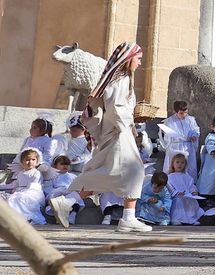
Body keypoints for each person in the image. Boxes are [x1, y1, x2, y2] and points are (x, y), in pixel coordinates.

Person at [49, 42, 151, 233]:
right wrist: (129, 124)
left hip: (117, 132)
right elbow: (115, 109)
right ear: (128, 59)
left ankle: (69, 201)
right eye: (138, 59)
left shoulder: (121, 79)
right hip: (119, 133)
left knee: (113, 173)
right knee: (133, 171)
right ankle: (127, 218)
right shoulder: (120, 81)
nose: (139, 63)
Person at [0, 148, 47, 225]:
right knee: (9, 198)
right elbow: (15, 184)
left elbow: (34, 185)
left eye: (33, 160)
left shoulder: (36, 173)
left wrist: (20, 191)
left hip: (33, 193)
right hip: (20, 191)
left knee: (20, 198)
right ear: (22, 162)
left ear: (37, 161)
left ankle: (27, 217)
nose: (30, 162)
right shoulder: (20, 173)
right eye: (27, 160)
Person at [158, 102, 201, 178]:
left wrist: (194, 136)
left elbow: (196, 130)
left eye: (186, 113)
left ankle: (189, 184)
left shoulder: (191, 120)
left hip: (188, 147)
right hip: (175, 147)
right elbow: (165, 135)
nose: (184, 115)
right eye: (181, 113)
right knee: (174, 166)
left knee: (188, 166)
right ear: (175, 112)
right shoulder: (169, 121)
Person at [166, 153, 203, 225]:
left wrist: (193, 191)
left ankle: (192, 219)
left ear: (185, 165)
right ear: (173, 164)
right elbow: (169, 187)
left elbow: (191, 185)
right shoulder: (169, 176)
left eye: (182, 163)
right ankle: (176, 219)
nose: (180, 164)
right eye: (177, 162)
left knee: (192, 201)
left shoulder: (187, 176)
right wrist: (176, 192)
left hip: (187, 195)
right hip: (176, 196)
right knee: (178, 201)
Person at [43, 155, 80, 222]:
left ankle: (72, 216)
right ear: (55, 166)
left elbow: (77, 187)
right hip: (57, 194)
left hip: (69, 194)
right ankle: (60, 216)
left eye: (67, 164)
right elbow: (48, 188)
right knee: (57, 202)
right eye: (62, 164)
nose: (65, 166)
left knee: (75, 201)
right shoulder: (52, 176)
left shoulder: (73, 176)